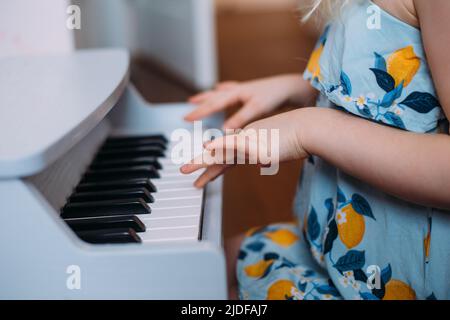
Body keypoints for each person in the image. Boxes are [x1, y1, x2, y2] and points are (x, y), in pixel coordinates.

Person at [181, 0, 450, 300]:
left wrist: (306, 129)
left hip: (397, 280)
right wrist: (294, 88)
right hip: (333, 248)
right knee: (210, 263)